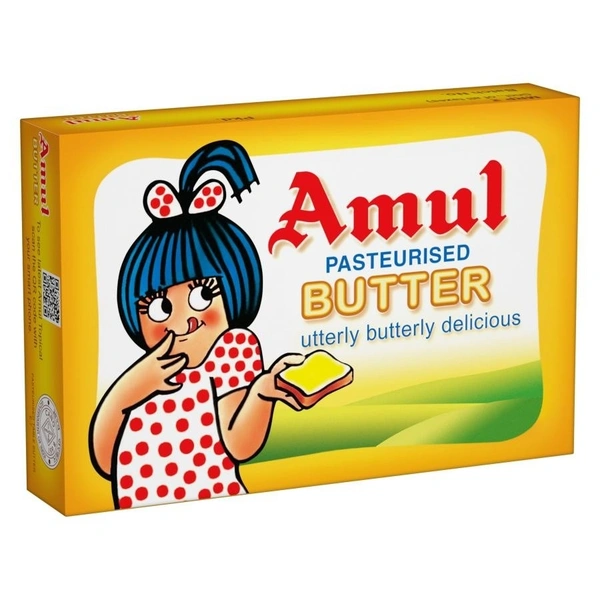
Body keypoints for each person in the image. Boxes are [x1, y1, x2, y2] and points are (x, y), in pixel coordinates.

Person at [89, 140, 305, 509]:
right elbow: (107, 460)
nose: (184, 320)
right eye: (159, 307)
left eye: (203, 295)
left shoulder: (233, 350)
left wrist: (262, 392)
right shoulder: (148, 371)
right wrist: (128, 390)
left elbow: (239, 445)